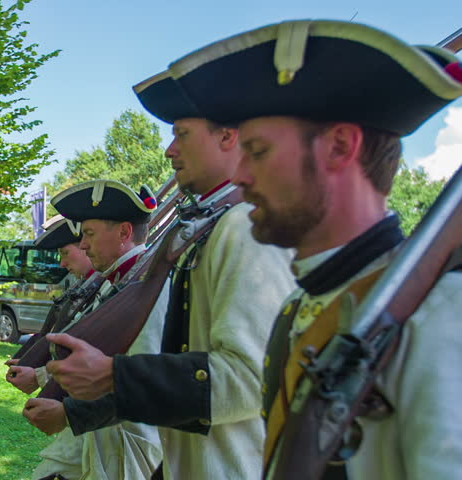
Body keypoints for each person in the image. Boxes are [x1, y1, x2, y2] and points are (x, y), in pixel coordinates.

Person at [160, 19, 462, 479]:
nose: (242, 175)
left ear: (340, 146)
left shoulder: (445, 311)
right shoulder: (298, 307)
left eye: (259, 151)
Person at [42, 70, 296, 479]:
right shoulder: (217, 225)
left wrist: (114, 376)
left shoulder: (244, 226)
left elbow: (254, 377)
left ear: (228, 137)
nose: (169, 150)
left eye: (181, 134)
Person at [21, 180, 166, 480]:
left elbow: (145, 380)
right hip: (93, 436)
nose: (83, 245)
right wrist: (39, 377)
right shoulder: (113, 284)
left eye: (88, 234)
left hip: (123, 443)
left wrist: (69, 414)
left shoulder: (149, 288)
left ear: (124, 233)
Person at [6, 214, 95, 393]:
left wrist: (40, 375)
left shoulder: (106, 285)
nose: (62, 263)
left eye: (65, 252)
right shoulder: (88, 284)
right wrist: (31, 360)